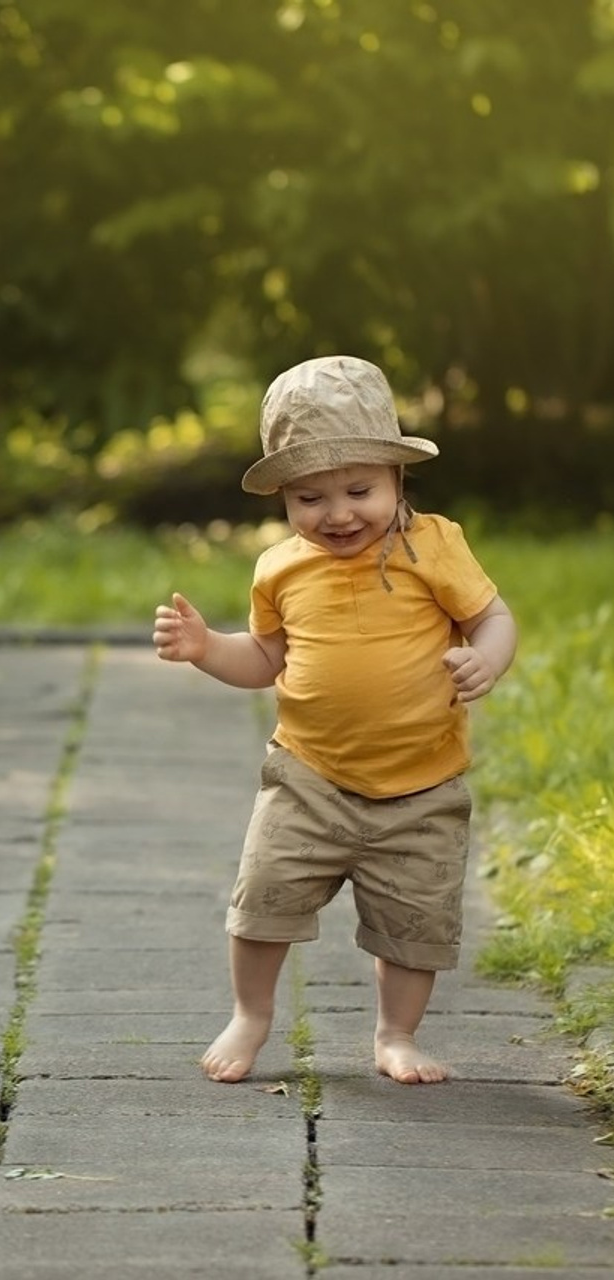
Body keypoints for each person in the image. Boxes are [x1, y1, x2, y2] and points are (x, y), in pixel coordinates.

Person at [153, 355, 517, 1086]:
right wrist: (207, 649)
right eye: (310, 498)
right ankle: (251, 1015)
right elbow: (266, 657)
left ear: (396, 479)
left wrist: (486, 657)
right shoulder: (280, 568)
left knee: (413, 926)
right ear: (284, 498)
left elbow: (492, 617)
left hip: (422, 787)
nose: (339, 514)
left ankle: (396, 1035)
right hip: (308, 777)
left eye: (359, 491)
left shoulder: (432, 546)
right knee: (262, 899)